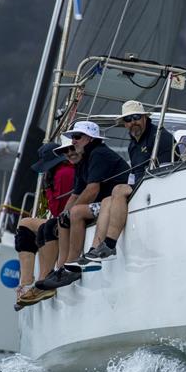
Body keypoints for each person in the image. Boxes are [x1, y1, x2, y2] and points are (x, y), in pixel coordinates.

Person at [81, 100, 177, 269]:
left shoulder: (160, 136)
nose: (132, 122)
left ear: (145, 118)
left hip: (156, 188)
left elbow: (165, 172)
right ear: (124, 124)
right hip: (141, 188)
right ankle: (96, 249)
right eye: (128, 120)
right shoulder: (133, 144)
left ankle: (110, 244)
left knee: (118, 189)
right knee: (106, 201)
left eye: (136, 117)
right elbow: (133, 175)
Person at [36, 120, 130, 289]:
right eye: (72, 138)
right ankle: (63, 267)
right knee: (63, 218)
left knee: (76, 212)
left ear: (90, 139)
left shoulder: (98, 153)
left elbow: (92, 190)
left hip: (116, 203)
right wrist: (64, 214)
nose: (73, 142)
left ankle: (72, 265)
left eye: (77, 137)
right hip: (102, 203)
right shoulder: (84, 160)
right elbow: (76, 194)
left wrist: (70, 212)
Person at [13, 138, 77, 309]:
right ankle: (26, 281)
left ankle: (43, 278)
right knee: (24, 225)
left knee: (46, 228)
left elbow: (57, 209)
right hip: (63, 217)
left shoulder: (64, 173)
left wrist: (47, 188)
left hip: (68, 218)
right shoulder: (59, 172)